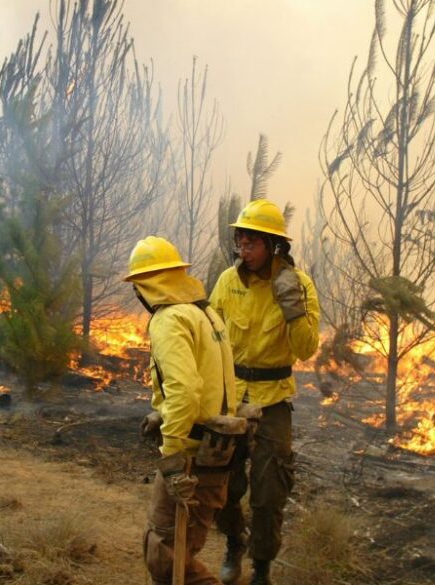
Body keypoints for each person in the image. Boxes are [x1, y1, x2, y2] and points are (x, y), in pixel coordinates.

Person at [209, 199, 321, 585]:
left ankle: (261, 566)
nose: (243, 250)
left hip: (273, 400)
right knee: (221, 483)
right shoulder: (227, 282)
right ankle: (233, 543)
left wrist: (292, 305)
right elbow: (211, 339)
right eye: (240, 241)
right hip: (231, 398)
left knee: (269, 492)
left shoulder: (299, 285)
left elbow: (307, 349)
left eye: (251, 243)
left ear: (273, 245)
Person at [130, 236, 242, 585]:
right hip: (217, 450)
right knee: (173, 551)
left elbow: (185, 390)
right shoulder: (204, 313)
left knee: (165, 556)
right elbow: (209, 384)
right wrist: (161, 412)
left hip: (191, 455)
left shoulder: (169, 320)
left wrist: (172, 454)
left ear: (145, 285)